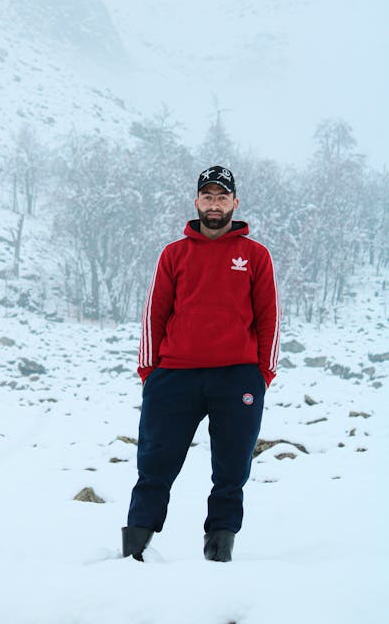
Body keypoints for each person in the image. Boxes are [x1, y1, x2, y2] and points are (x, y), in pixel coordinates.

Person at [122, 166, 280, 562]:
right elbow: (154, 315)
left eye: (221, 197)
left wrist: (262, 376)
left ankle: (219, 555)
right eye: (207, 197)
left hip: (237, 377)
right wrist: (149, 372)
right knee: (154, 466)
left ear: (234, 203)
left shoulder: (255, 255)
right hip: (174, 376)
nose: (214, 204)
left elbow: (269, 318)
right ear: (197, 202)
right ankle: (133, 555)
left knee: (231, 472)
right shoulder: (174, 254)